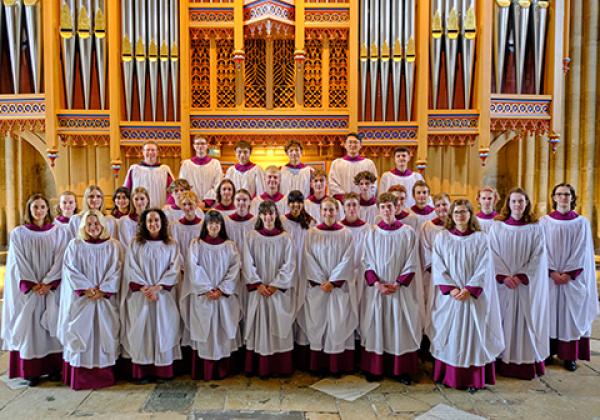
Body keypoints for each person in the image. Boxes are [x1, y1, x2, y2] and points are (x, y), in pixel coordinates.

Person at [429, 200, 504, 393]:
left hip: (472, 297)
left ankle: (473, 379)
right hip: (451, 297)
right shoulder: (442, 237)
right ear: (451, 216)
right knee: (450, 335)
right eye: (456, 212)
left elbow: (484, 267)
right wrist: (452, 288)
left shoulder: (481, 238)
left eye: (464, 212)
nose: (460, 216)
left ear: (471, 214)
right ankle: (447, 375)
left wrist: (470, 288)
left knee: (473, 335)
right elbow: (438, 265)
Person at [2, 194, 70, 385]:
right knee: (32, 330)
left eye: (42, 207)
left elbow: (62, 258)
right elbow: (18, 261)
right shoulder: (19, 233)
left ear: (48, 209)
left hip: (51, 289)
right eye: (35, 207)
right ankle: (33, 371)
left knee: (52, 328)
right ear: (29, 210)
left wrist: (49, 282)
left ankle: (54, 368)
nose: (39, 211)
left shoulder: (58, 232)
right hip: (31, 290)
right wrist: (34, 284)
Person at [360, 193, 422, 384]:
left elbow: (412, 261)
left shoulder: (408, 232)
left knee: (399, 328)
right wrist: (377, 284)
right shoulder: (371, 232)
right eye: (383, 207)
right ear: (378, 209)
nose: (386, 210)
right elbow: (366, 261)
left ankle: (400, 370)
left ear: (396, 208)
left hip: (399, 290)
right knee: (376, 326)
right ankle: (375, 368)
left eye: (390, 206)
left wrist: (398, 283)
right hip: (377, 290)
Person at [489, 188, 549, 380]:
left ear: (526, 204)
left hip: (524, 285)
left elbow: (539, 255)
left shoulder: (535, 228)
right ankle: (500, 360)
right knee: (503, 320)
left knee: (525, 322)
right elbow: (491, 253)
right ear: (508, 204)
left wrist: (522, 275)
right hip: (503, 285)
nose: (517, 205)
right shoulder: (497, 227)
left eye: (521, 201)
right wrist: (504, 276)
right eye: (514, 201)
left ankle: (524, 362)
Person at [59, 210, 122, 390]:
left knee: (104, 334)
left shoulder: (113, 246)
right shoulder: (75, 245)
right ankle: (81, 377)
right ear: (83, 227)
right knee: (81, 334)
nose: (93, 227)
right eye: (89, 224)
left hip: (104, 300)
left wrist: (103, 290)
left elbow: (116, 269)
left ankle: (104, 375)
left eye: (96, 224)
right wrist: (87, 289)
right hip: (83, 300)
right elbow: (70, 269)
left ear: (102, 225)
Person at [540, 183, 599, 372]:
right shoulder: (544, 222)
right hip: (550, 277)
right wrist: (552, 271)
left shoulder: (581, 222)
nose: (563, 198)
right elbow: (542, 249)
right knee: (549, 314)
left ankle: (569, 356)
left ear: (572, 198)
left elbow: (582, 250)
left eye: (567, 194)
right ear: (554, 197)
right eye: (559, 194)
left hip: (573, 278)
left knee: (570, 317)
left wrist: (569, 273)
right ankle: (548, 353)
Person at [120, 209, 182, 382]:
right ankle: (143, 371)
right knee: (143, 331)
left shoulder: (171, 244)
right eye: (149, 221)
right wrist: (145, 288)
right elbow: (130, 267)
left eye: (156, 220)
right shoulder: (135, 244)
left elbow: (175, 268)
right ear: (144, 224)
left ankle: (163, 371)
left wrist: (158, 287)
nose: (153, 224)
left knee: (164, 329)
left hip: (163, 296)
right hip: (142, 296)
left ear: (162, 223)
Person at [298, 198, 357, 374]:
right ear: (320, 212)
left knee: (337, 324)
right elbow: (307, 258)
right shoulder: (312, 233)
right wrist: (322, 281)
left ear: (337, 212)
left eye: (331, 210)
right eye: (325, 210)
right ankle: (318, 365)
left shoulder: (346, 234)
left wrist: (333, 281)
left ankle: (337, 365)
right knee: (318, 323)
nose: (328, 213)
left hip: (338, 288)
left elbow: (348, 259)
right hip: (318, 288)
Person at [181, 210, 242, 380]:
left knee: (222, 330)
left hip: (223, 296)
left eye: (217, 223)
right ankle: (204, 369)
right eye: (210, 223)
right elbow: (193, 267)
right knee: (205, 331)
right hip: (204, 296)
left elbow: (234, 268)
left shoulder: (230, 246)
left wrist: (222, 289)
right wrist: (207, 288)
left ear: (221, 226)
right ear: (205, 225)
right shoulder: (196, 244)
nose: (214, 226)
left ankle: (223, 369)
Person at [243, 201, 296, 377]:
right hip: (259, 291)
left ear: (276, 215)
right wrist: (257, 284)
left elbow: (289, 264)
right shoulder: (251, 236)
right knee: (260, 327)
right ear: (259, 216)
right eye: (264, 213)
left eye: (271, 213)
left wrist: (275, 285)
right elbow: (247, 262)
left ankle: (280, 367)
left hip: (276, 292)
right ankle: (259, 367)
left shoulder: (285, 238)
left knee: (278, 326)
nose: (268, 217)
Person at [418, 193, 451, 323]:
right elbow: (425, 249)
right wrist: (437, 270)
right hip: (434, 275)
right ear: (434, 208)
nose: (441, 208)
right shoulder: (428, 226)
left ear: (450, 205)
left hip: (454, 275)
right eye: (437, 205)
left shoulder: (457, 226)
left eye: (444, 204)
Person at [123, 141, 175, 208]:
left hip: (160, 208)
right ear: (143, 152)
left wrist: (169, 205)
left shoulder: (164, 170)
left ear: (157, 152)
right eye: (147, 150)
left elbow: (173, 190)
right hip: (138, 209)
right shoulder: (135, 169)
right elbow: (127, 190)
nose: (150, 152)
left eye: (153, 150)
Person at [328, 133, 378, 201]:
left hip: (363, 204)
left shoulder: (368, 164)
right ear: (345, 145)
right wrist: (346, 199)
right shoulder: (336, 164)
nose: (353, 145)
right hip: (342, 203)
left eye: (355, 142)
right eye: (350, 142)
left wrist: (362, 198)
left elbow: (373, 184)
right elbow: (332, 184)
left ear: (360, 145)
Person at [178, 135, 223, 207]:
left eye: (202, 143)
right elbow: (182, 185)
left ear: (207, 145)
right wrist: (193, 200)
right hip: (191, 205)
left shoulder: (215, 163)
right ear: (194, 146)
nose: (200, 146)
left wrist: (206, 202)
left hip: (211, 205)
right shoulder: (186, 164)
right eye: (197, 144)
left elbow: (218, 184)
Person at [171, 191, 203, 268]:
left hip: (198, 267)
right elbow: (175, 248)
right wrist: (182, 265)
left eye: (190, 204)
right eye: (184, 204)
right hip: (181, 267)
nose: (187, 207)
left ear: (196, 205)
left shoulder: (203, 225)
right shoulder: (175, 226)